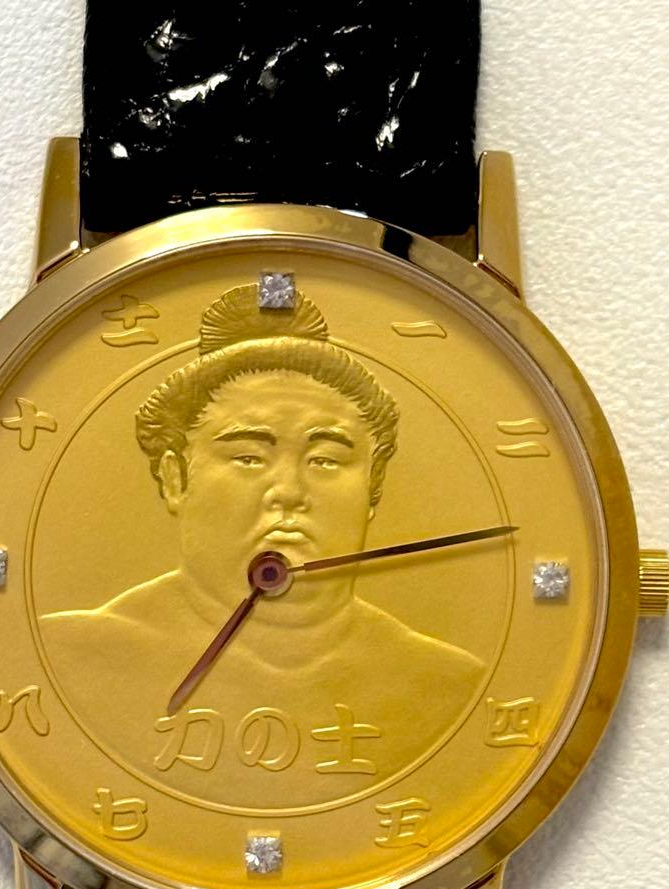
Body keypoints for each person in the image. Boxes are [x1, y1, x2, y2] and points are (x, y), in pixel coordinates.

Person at [40, 283, 485, 809]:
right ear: (175, 478)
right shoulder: (71, 659)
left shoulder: (447, 684)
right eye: (249, 457)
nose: (289, 492)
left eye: (325, 460)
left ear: (374, 487)